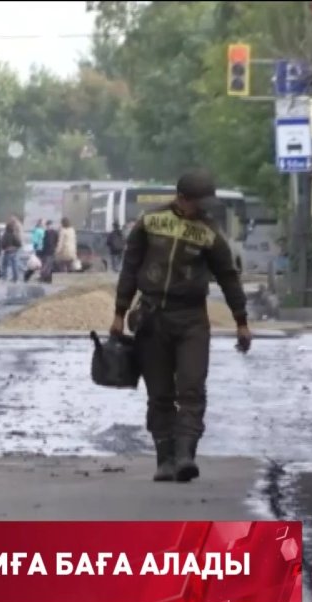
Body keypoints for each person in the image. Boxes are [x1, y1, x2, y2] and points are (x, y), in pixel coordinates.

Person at [112, 169, 251, 483]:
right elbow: (130, 267)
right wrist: (120, 313)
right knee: (160, 393)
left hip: (191, 320)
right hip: (151, 318)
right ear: (182, 198)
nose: (203, 208)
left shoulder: (209, 232)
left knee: (191, 388)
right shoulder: (149, 222)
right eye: (199, 202)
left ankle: (186, 455)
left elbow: (228, 276)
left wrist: (241, 321)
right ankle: (164, 459)